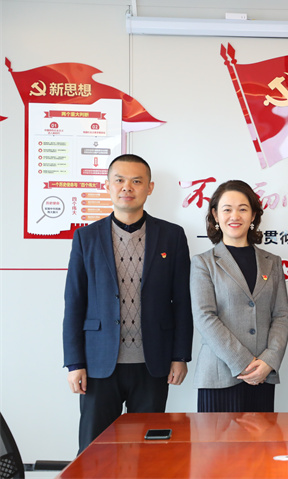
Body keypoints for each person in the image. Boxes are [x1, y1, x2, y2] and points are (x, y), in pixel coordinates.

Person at [63, 154, 193, 453]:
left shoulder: (172, 236)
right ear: (107, 186)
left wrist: (180, 356)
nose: (127, 187)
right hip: (98, 364)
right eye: (119, 180)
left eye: (136, 181)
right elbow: (75, 303)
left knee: (149, 451)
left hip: (153, 362)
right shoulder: (86, 237)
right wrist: (75, 363)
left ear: (150, 187)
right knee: (94, 451)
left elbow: (182, 301)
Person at [190, 180, 288, 412]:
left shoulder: (272, 262)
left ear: (253, 215)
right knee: (216, 438)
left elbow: (281, 316)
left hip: (262, 375)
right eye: (227, 209)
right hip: (219, 376)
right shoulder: (203, 263)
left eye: (243, 209)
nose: (235, 216)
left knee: (262, 437)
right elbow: (205, 317)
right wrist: (244, 362)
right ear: (215, 215)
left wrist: (269, 360)